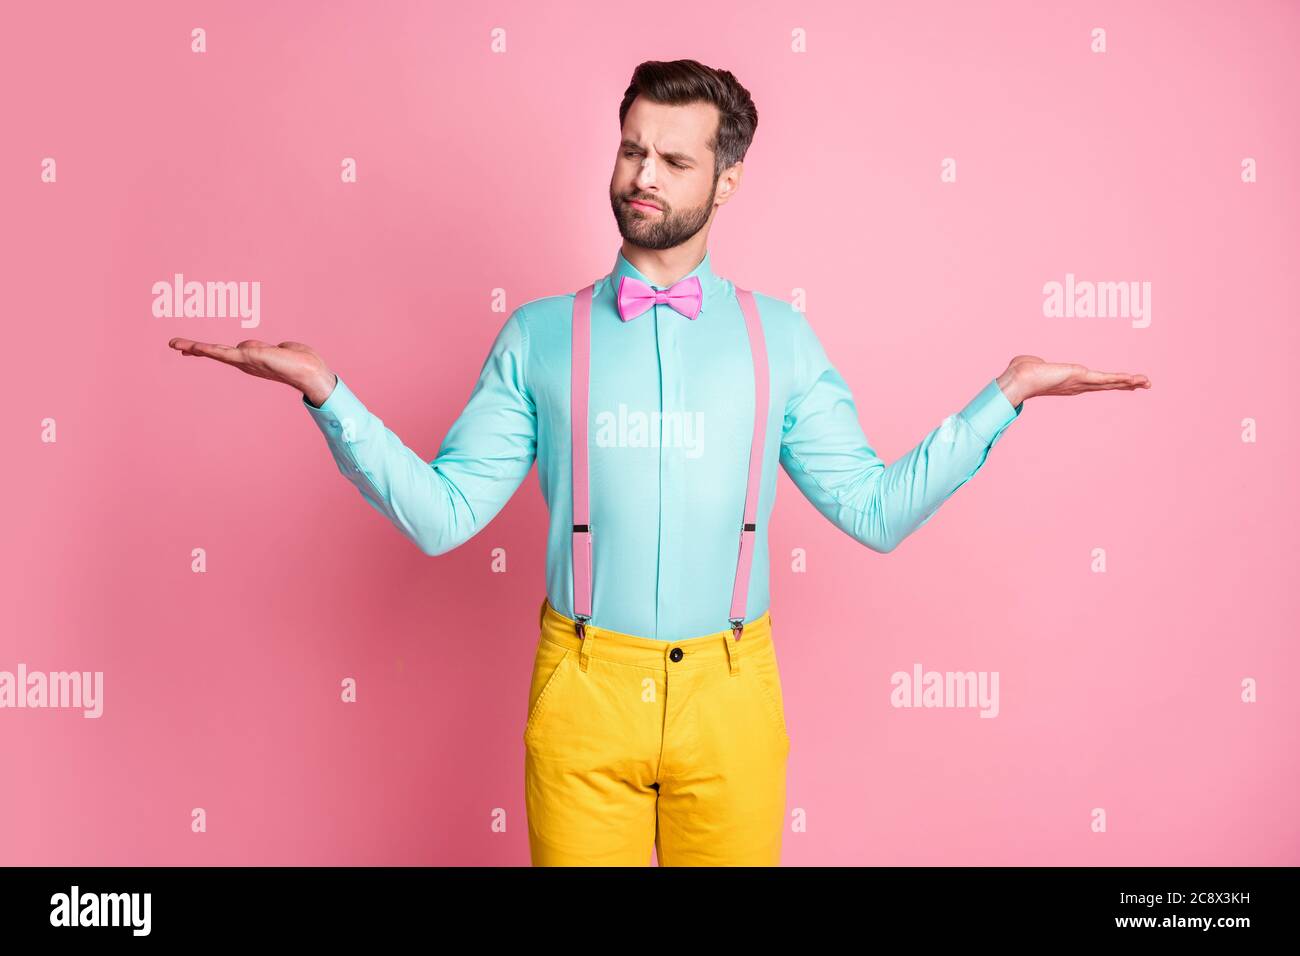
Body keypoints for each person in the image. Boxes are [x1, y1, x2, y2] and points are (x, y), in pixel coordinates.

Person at [168, 59, 1150, 866]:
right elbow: (442, 514)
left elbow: (876, 510)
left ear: (723, 182)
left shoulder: (782, 340)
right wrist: (329, 395)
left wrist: (1004, 394)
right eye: (632, 146)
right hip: (582, 685)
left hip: (733, 689)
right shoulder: (540, 337)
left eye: (672, 159)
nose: (642, 172)